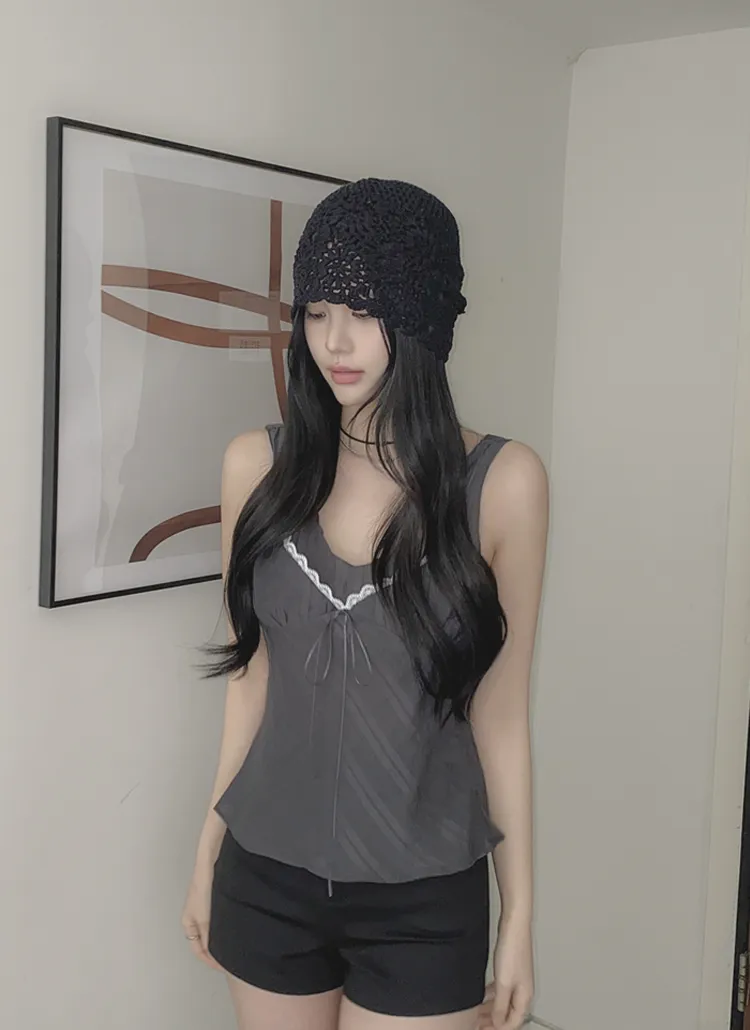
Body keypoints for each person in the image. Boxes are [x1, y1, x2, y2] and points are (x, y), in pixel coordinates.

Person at [181, 178, 548, 1030]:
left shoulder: (503, 484)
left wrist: (519, 917)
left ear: (423, 321)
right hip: (264, 880)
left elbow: (501, 718)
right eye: (316, 311)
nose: (333, 340)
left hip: (426, 902)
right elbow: (250, 683)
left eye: (364, 311)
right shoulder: (256, 469)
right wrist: (206, 850)